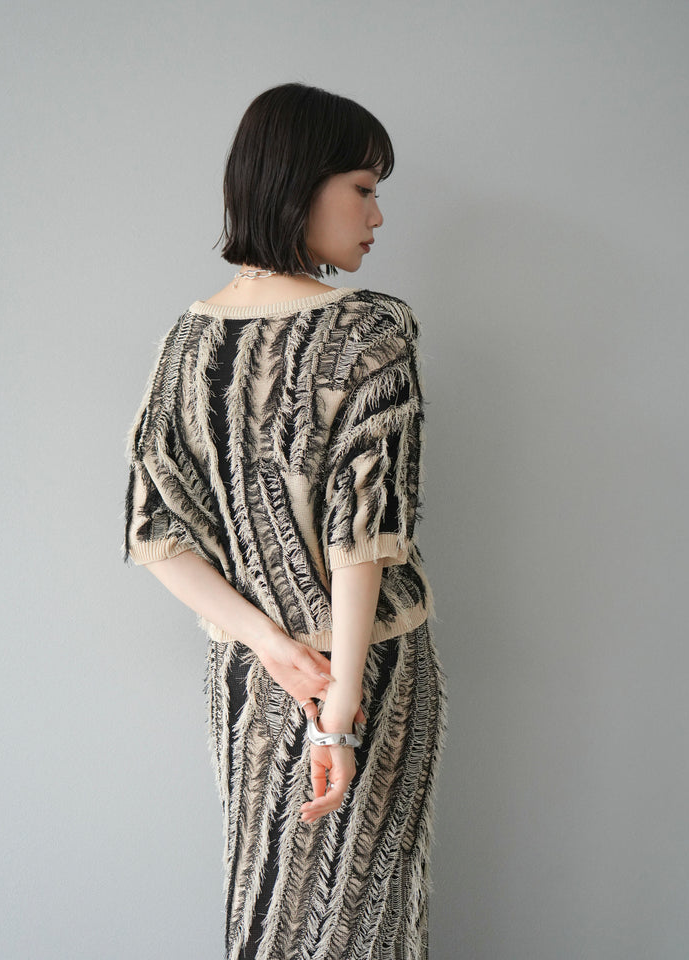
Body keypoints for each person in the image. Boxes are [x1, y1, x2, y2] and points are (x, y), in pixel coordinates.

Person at [123, 82, 447, 960]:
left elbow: (156, 532)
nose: (377, 215)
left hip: (253, 679)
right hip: (367, 672)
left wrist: (267, 644)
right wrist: (339, 707)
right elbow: (362, 535)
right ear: (299, 183)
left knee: (270, 915)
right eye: (363, 187)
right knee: (368, 921)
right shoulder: (371, 330)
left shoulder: (186, 342)